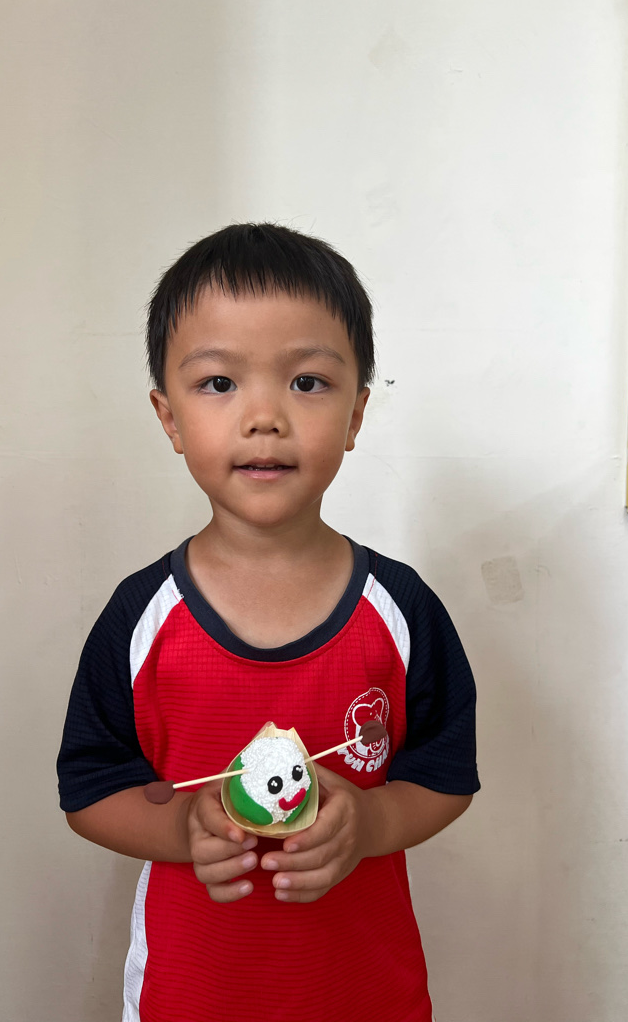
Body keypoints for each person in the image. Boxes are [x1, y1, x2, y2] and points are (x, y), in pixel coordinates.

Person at [57, 223, 480, 1022]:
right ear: (169, 418)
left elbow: (445, 776)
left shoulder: (402, 609)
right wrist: (182, 831)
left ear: (356, 414)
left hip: (366, 995)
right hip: (189, 995)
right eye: (218, 382)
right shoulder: (140, 618)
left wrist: (372, 821)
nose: (264, 416)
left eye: (307, 382)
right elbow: (89, 790)